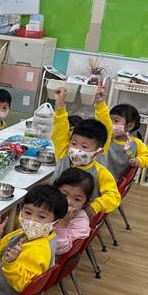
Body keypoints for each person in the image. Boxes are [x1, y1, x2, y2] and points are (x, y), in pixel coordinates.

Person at [51, 87, 121, 216]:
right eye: (74, 143)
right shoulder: (63, 154)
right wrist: (60, 104)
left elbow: (114, 196)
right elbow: (60, 128)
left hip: (77, 219)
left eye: (84, 146)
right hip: (52, 213)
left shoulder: (100, 172)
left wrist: (95, 206)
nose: (77, 149)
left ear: (98, 152)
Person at [97, 102, 148, 180]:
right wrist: (100, 103)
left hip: (113, 182)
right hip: (95, 175)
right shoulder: (107, 137)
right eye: (110, 120)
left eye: (116, 121)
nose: (111, 124)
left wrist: (138, 160)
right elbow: (102, 118)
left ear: (130, 126)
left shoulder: (136, 144)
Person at [53, 168, 94, 256]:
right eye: (64, 195)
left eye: (77, 199)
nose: (68, 202)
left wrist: (63, 226)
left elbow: (58, 250)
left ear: (85, 203)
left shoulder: (81, 225)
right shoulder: (50, 206)